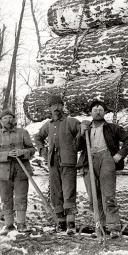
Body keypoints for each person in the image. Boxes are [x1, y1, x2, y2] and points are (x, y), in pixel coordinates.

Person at [75, 99, 128, 239]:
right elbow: (76, 147)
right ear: (90, 113)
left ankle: (114, 228)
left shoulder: (112, 128)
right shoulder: (86, 128)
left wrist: (119, 155)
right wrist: (80, 134)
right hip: (88, 161)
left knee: (108, 196)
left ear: (104, 113)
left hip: (107, 159)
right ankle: (99, 227)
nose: (98, 112)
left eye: (100, 110)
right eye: (95, 110)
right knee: (93, 197)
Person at [33, 93, 83, 234]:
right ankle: (61, 223)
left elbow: (81, 129)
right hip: (53, 163)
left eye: (59, 105)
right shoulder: (48, 125)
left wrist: (83, 128)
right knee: (56, 193)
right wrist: (43, 151)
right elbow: (38, 137)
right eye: (53, 106)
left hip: (68, 163)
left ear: (62, 107)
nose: (56, 108)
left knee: (69, 192)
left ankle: (71, 224)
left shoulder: (70, 121)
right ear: (49, 108)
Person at [0, 110, 36, 236]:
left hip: (21, 170)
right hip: (4, 173)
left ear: (14, 120)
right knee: (6, 198)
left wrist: (22, 152)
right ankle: (9, 225)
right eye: (5, 118)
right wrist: (7, 154)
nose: (8, 120)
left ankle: (21, 223)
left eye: (10, 118)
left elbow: (32, 150)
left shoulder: (23, 133)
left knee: (21, 197)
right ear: (0, 121)